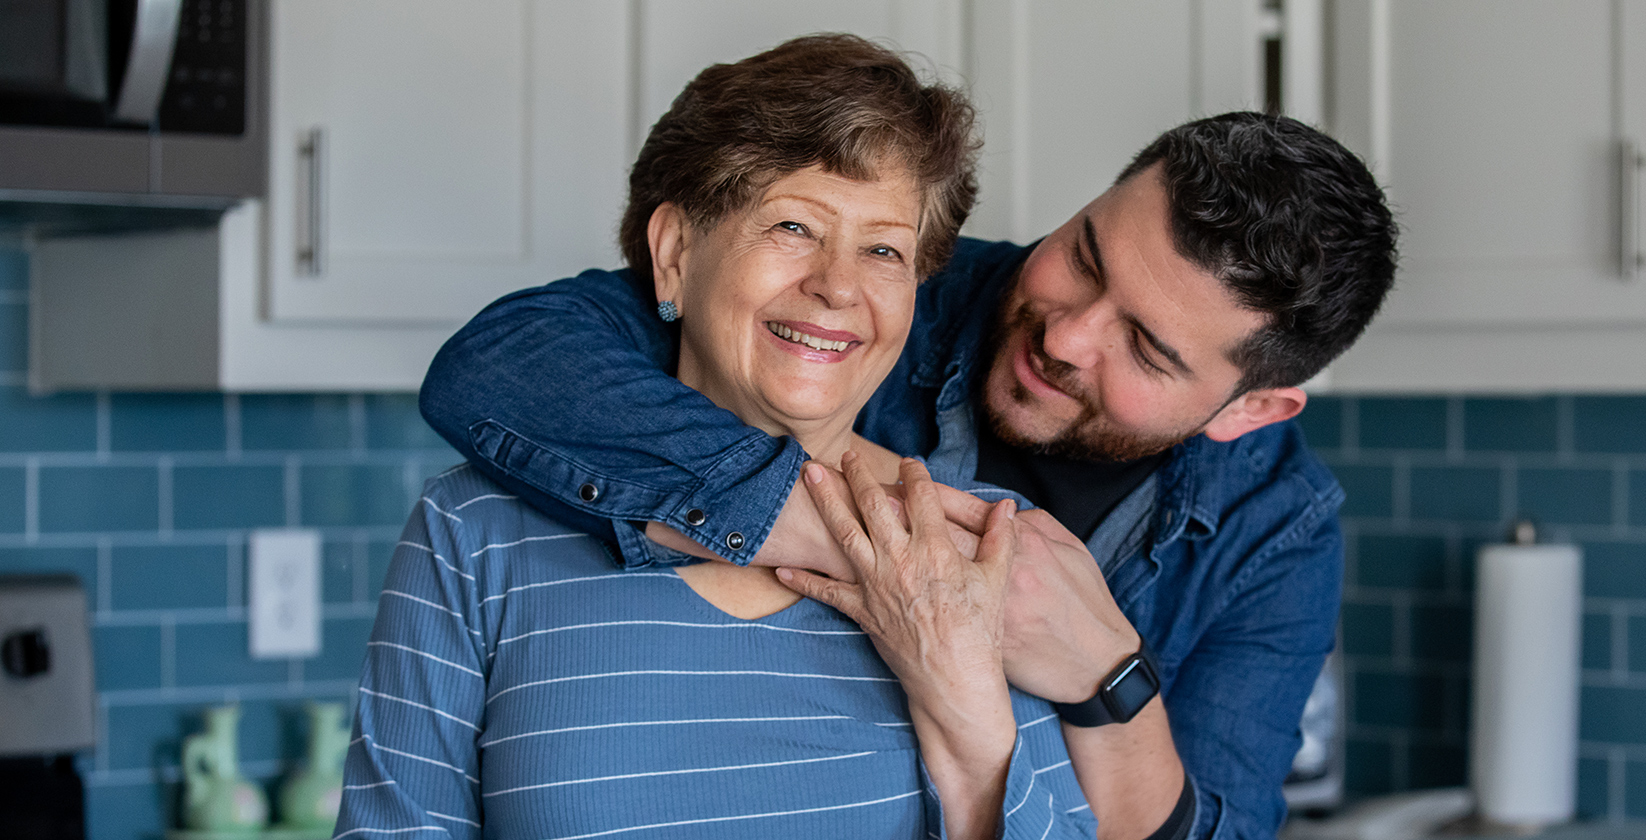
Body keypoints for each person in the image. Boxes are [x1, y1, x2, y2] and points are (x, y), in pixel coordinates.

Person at [421, 100, 1399, 840]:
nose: (1066, 335)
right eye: (1085, 258)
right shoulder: (889, 282)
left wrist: (1104, 675)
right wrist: (873, 541)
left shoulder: (1276, 526)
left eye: (1143, 348)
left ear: (1248, 409)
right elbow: (502, 365)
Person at [335, 35, 1100, 840]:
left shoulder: (979, 545)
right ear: (674, 254)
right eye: (793, 227)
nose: (838, 285)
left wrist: (969, 719)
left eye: (883, 249)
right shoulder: (476, 531)